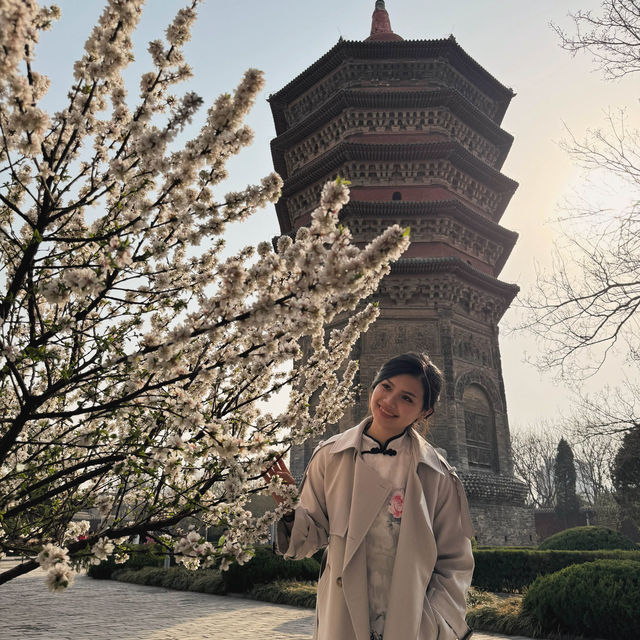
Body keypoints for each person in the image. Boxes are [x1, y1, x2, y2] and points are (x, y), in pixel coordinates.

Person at [265, 352, 474, 640]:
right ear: (373, 386)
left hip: (410, 620)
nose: (389, 402)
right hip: (343, 615)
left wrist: (435, 621)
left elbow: (455, 561)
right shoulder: (330, 456)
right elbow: (309, 538)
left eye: (407, 398)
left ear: (425, 412)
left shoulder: (437, 474)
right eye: (386, 387)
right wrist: (288, 506)